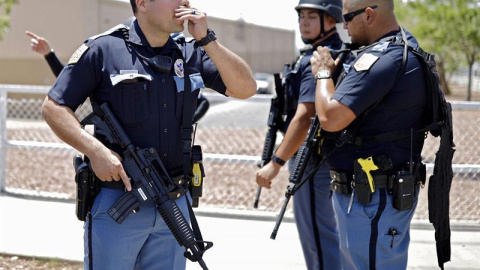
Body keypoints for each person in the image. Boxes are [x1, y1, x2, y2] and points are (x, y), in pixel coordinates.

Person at [41, 0, 256, 269]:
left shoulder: (190, 51)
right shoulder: (104, 49)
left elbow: (246, 88)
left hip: (174, 203)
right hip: (118, 201)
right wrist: (95, 150)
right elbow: (54, 107)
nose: (185, 2)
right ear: (142, 3)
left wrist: (207, 39)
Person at [310, 0, 428, 269]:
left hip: (373, 200)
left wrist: (323, 73)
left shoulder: (384, 58)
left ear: (369, 15)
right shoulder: (400, 48)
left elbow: (330, 118)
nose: (344, 26)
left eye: (348, 18)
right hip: (371, 197)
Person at [255, 0, 343, 269]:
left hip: (313, 161)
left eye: (311, 16)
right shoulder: (338, 52)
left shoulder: (318, 58)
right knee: (328, 234)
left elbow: (305, 117)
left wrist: (275, 163)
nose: (303, 22)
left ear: (330, 20)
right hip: (328, 158)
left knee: (318, 236)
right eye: (301, 16)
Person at [27, 29, 210, 123]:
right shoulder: (109, 54)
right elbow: (69, 85)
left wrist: (183, 124)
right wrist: (49, 55)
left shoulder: (177, 60)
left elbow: (204, 102)